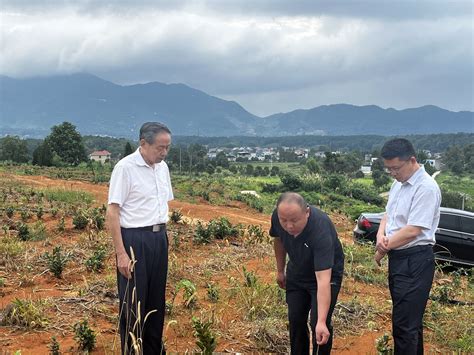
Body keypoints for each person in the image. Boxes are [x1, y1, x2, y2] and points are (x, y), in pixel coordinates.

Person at [106, 122, 173, 354]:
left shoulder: (162, 168)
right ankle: (133, 350)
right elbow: (112, 212)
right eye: (160, 148)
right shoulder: (125, 168)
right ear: (143, 143)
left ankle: (154, 350)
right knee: (133, 304)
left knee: (156, 302)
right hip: (134, 241)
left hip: (159, 239)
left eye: (167, 148)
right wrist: (121, 254)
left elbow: (162, 204)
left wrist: (163, 238)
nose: (164, 153)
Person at [374, 138, 441, 355]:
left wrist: (382, 249)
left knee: (405, 326)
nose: (392, 173)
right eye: (389, 169)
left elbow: (414, 230)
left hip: (415, 260)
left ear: (412, 160)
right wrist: (380, 234)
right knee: (409, 322)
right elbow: (389, 214)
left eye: (396, 168)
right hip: (400, 259)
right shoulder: (398, 184)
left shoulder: (426, 188)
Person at [270, 192, 344, 354]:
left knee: (318, 324)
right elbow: (279, 240)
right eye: (284, 220)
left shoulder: (320, 229)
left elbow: (323, 280)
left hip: (326, 275)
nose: (289, 226)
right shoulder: (277, 217)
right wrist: (280, 270)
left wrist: (322, 322)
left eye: (294, 221)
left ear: (307, 212)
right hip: (297, 272)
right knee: (296, 320)